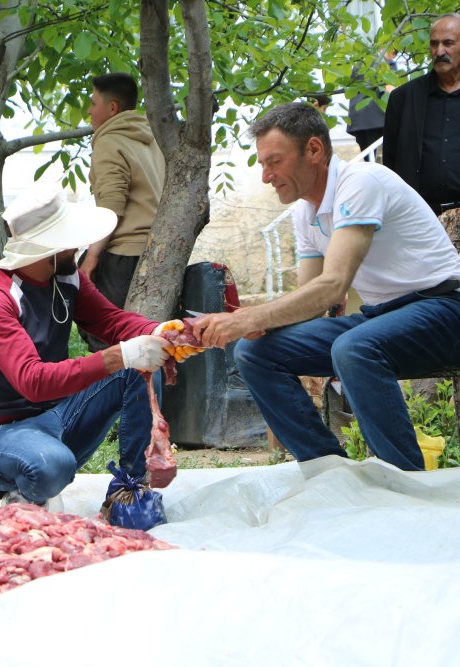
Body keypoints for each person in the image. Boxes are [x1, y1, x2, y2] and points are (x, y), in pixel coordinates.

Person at [193, 103, 460, 472]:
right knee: (255, 353)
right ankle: (328, 470)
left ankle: (404, 481)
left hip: (443, 306)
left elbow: (334, 285)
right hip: (382, 316)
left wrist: (248, 317)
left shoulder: (361, 182)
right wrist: (259, 323)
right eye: (262, 165)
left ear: (314, 150)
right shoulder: (307, 210)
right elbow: (311, 298)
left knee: (354, 348)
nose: (267, 177)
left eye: (274, 162)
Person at [0, 187, 196, 509]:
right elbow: (33, 381)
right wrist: (118, 355)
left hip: (60, 414)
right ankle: (7, 486)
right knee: (48, 465)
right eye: (69, 241)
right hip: (2, 432)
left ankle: (130, 492)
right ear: (49, 247)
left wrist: (166, 332)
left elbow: (111, 321)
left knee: (140, 368)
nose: (77, 246)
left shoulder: (67, 278)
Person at [80, 72, 166, 351]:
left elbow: (111, 206)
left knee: (107, 337)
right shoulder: (149, 139)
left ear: (112, 108)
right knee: (140, 334)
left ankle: (107, 391)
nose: (90, 111)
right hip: (154, 248)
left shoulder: (109, 141)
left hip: (122, 252)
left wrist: (92, 256)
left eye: (93, 103)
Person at [384, 14, 460, 214]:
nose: (439, 51)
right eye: (434, 44)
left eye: (448, 43)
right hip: (419, 216)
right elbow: (390, 163)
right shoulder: (403, 99)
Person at [346, 50, 397, 161]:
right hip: (375, 119)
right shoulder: (386, 65)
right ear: (392, 51)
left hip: (357, 119)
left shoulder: (360, 62)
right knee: (384, 156)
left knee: (368, 157)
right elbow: (392, 90)